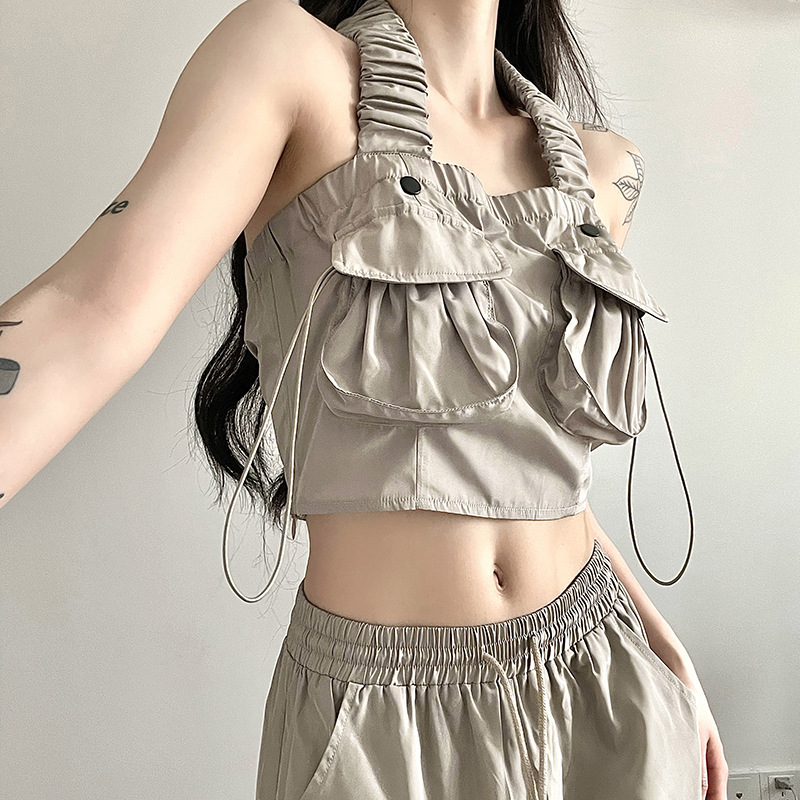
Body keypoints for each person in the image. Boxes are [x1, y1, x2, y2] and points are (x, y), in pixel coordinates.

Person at [0, 0, 728, 797]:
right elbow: (85, 313)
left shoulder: (602, 172)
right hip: (382, 729)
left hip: (610, 684)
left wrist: (659, 643)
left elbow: (534, 469)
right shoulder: (288, 62)